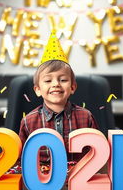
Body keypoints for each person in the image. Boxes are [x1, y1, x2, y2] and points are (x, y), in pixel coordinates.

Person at [19, 31, 99, 162]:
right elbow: (22, 159)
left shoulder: (86, 117)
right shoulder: (28, 121)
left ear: (72, 87)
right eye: (48, 81)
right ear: (38, 90)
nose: (56, 84)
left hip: (80, 179)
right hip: (42, 181)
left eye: (63, 80)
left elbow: (97, 153)